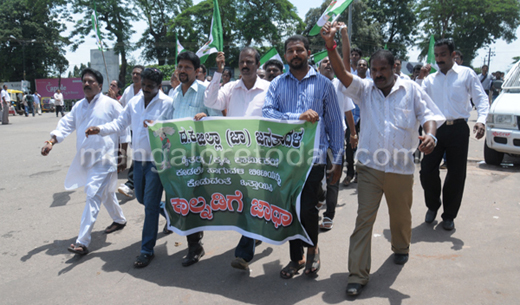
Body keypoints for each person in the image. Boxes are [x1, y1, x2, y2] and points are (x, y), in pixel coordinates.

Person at [320, 21, 445, 297]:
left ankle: (401, 247)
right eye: (374, 70)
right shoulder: (364, 90)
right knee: (364, 219)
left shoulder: (411, 89)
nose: (376, 74)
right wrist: (331, 44)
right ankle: (357, 274)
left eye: (382, 70)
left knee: (400, 217)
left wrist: (430, 136)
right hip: (369, 167)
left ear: (393, 69)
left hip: (401, 168)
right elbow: (341, 72)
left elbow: (429, 116)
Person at [263, 34, 344, 279]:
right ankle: (295, 257)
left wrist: (338, 160)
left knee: (307, 209)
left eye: (300, 50)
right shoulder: (276, 84)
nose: (295, 54)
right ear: (285, 55)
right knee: (288, 208)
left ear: (309, 53)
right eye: (290, 51)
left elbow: (334, 126)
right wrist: (296, 117)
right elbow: (267, 113)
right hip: (284, 159)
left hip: (313, 159)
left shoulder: (324, 84)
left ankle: (312, 250)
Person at [85, 68, 173, 268]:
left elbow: (174, 130)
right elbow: (119, 123)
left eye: (150, 87)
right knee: (142, 198)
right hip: (139, 160)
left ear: (159, 87)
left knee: (149, 206)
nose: (146, 90)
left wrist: (159, 129)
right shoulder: (134, 103)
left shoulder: (167, 104)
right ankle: (168, 211)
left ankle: (146, 250)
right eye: (143, 86)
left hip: (158, 162)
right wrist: (100, 129)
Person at [41, 68, 130, 255]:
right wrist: (51, 142)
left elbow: (123, 130)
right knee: (106, 194)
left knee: (92, 194)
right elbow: (65, 125)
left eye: (91, 81)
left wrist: (122, 155)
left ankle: (82, 241)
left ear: (99, 84)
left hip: (106, 159)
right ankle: (120, 219)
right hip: (86, 158)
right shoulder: (79, 106)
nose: (87, 84)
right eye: (84, 81)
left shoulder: (111, 104)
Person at [200, 47, 270, 271]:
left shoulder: (269, 89)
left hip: (260, 159)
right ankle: (255, 234)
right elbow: (211, 102)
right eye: (241, 61)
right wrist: (218, 72)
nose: (245, 65)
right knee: (242, 203)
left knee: (250, 202)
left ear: (257, 64)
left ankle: (243, 253)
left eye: (249, 61)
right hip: (233, 158)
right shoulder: (230, 88)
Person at [417, 38, 489, 231]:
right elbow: (416, 99)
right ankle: (433, 205)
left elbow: (481, 99)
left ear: (453, 55)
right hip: (435, 130)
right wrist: (420, 79)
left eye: (443, 55)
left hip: (458, 129)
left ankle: (449, 215)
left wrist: (481, 120)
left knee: (456, 174)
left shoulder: (467, 74)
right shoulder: (430, 80)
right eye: (437, 55)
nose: (439, 59)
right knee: (426, 170)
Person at [162, 51, 222, 267]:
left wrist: (206, 116)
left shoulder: (206, 91)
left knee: (193, 202)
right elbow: (169, 121)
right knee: (183, 200)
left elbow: (220, 119)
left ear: (197, 71)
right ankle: (194, 243)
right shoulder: (176, 92)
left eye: (188, 67)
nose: (183, 70)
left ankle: (194, 246)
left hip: (199, 159)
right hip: (178, 158)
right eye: (180, 67)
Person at [118, 65, 145, 198]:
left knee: (138, 156)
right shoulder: (128, 90)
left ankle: (130, 184)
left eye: (138, 74)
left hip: (145, 130)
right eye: (133, 73)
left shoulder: (147, 90)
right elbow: (121, 106)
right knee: (138, 156)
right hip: (132, 129)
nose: (135, 76)